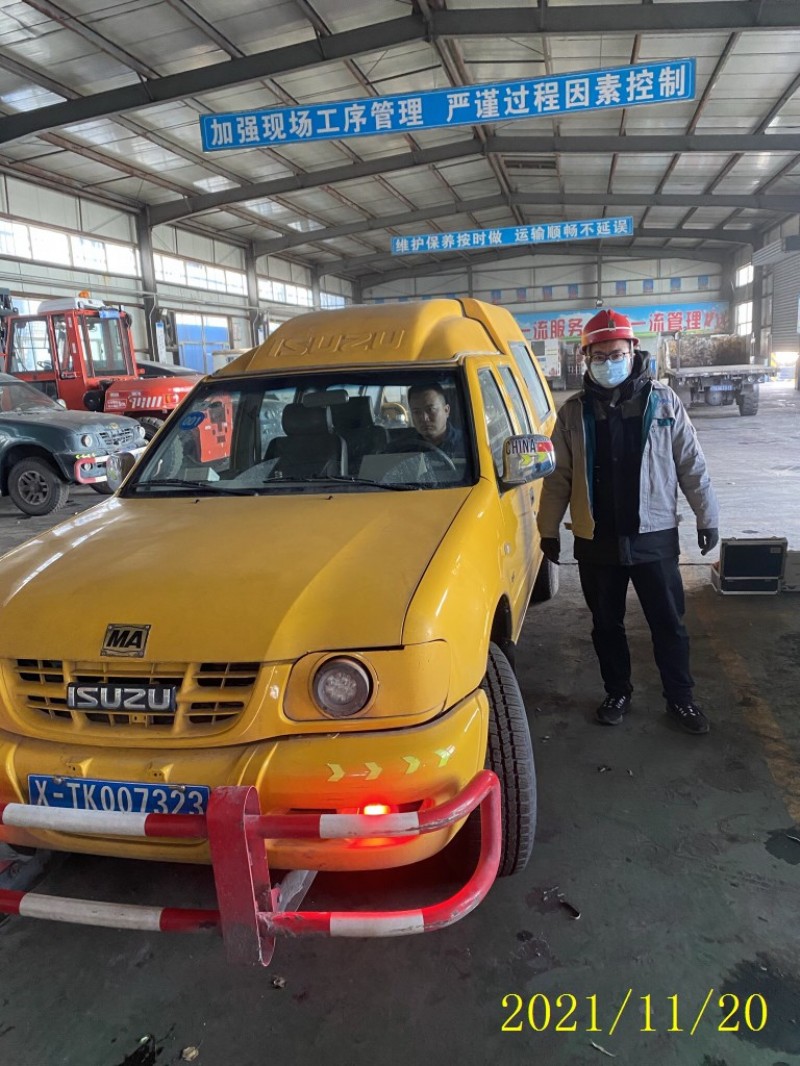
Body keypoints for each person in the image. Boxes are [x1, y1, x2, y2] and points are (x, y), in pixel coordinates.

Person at [537, 308, 719, 735]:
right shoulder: (572, 412)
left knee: (668, 624)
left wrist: (706, 517)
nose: (608, 363)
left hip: (654, 537)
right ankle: (617, 691)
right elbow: (558, 477)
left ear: (633, 351)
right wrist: (548, 529)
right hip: (597, 539)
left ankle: (680, 698)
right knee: (606, 625)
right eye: (599, 356)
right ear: (586, 358)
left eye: (616, 354)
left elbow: (691, 464)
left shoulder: (664, 402)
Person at [388, 383, 465, 459]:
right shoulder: (402, 449)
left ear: (446, 410)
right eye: (416, 412)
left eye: (430, 410)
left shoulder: (467, 445)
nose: (424, 418)